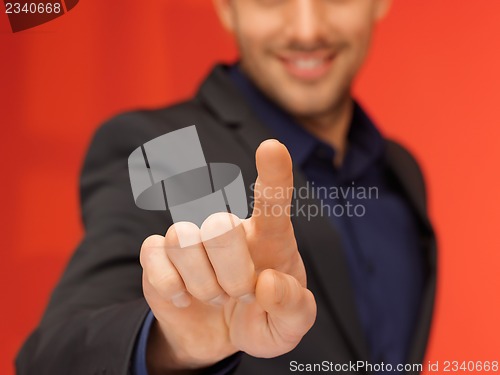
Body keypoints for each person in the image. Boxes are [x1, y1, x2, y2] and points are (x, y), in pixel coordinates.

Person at [16, 0, 437, 374]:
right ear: (225, 6)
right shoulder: (163, 150)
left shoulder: (401, 172)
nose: (307, 29)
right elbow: (50, 359)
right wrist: (175, 347)